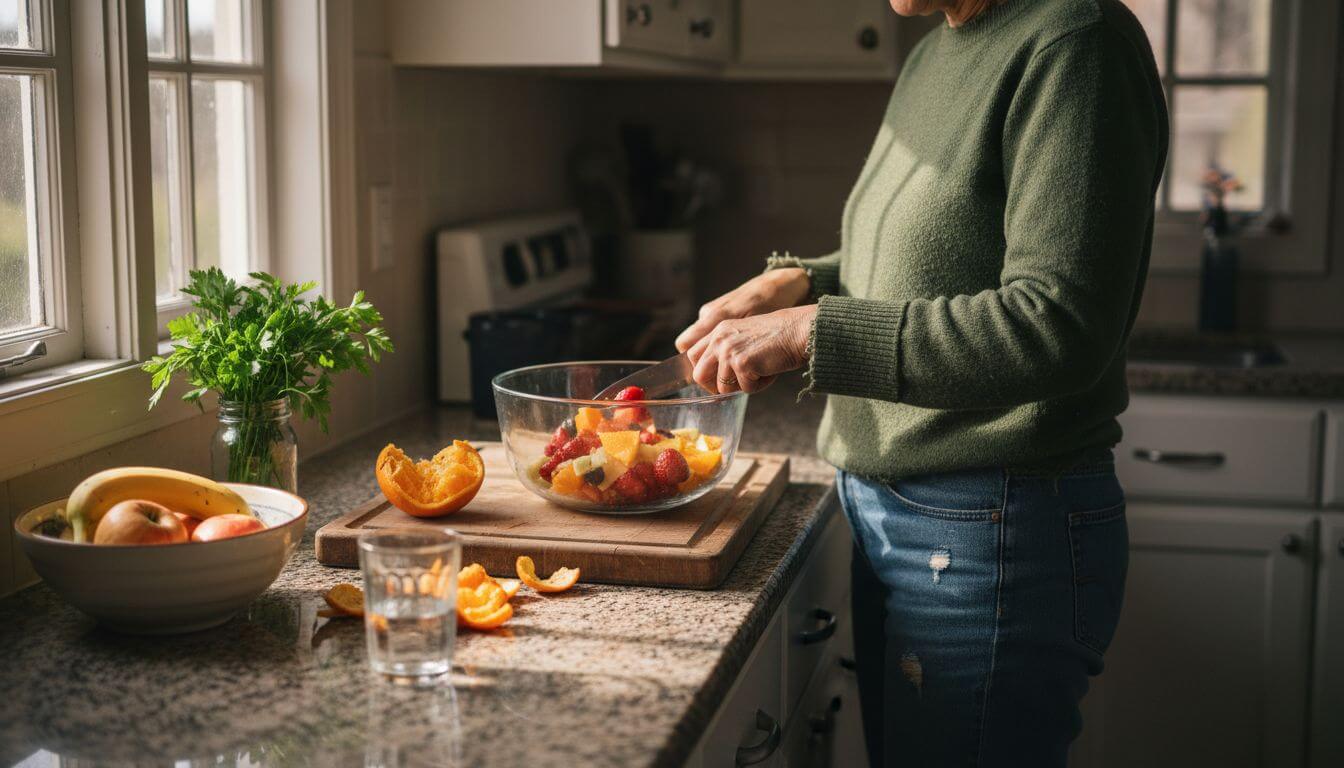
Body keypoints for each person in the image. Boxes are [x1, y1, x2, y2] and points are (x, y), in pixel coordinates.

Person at [674, 0, 1169, 765]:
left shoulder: (1077, 42)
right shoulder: (938, 47)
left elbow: (1054, 326)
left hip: (992, 522)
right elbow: (922, 261)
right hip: (894, 507)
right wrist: (800, 283)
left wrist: (809, 331)